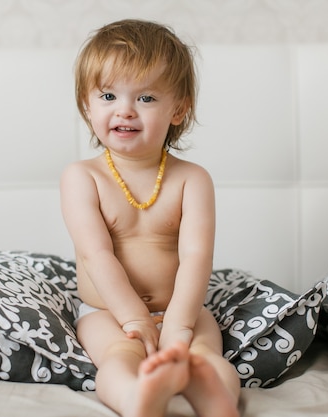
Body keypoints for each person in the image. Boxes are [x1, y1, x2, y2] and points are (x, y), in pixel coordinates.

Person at [60, 19, 240, 417]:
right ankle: (134, 397)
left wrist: (178, 324)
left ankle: (215, 396)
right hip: (108, 312)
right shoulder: (82, 177)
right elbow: (96, 255)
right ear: (87, 106)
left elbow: (197, 257)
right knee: (118, 357)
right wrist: (134, 319)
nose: (124, 110)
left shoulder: (192, 179)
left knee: (206, 354)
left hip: (181, 307)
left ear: (178, 109)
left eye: (145, 98)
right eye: (108, 95)